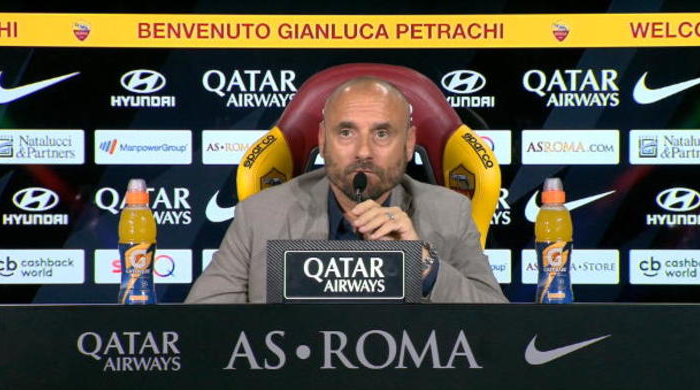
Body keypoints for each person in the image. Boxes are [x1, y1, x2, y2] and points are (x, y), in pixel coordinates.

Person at [186, 77, 508, 303]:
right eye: (346, 133)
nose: (363, 151)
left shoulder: (449, 213)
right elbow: (199, 329)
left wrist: (422, 263)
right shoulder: (260, 216)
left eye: (382, 134)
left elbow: (496, 328)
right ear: (322, 140)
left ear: (409, 143)